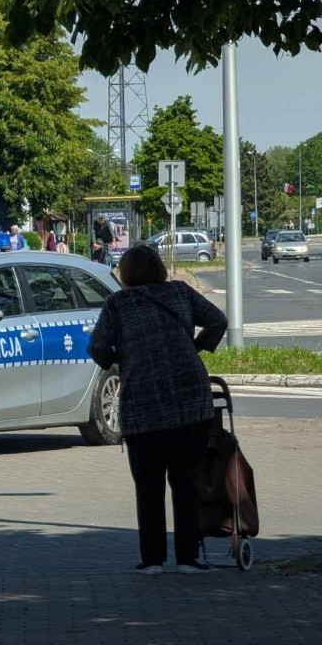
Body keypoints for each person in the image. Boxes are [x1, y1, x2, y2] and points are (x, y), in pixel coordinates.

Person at [88, 244, 227, 575]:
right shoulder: (179, 292)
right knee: (187, 481)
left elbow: (97, 348)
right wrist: (194, 348)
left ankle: (153, 560)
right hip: (190, 400)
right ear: (159, 269)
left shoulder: (118, 304)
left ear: (126, 273)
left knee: (148, 485)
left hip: (143, 404)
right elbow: (218, 320)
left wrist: (122, 358)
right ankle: (188, 558)